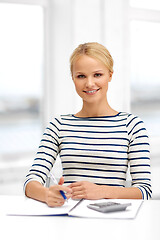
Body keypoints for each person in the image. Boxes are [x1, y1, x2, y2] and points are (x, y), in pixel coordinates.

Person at [24, 42, 152, 207]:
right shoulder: (59, 125)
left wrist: (102, 191)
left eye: (97, 75)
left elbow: (145, 191)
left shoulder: (132, 126)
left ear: (110, 75)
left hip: (114, 220)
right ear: (73, 79)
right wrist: (47, 194)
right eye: (81, 76)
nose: (89, 83)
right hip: (68, 218)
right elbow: (30, 182)